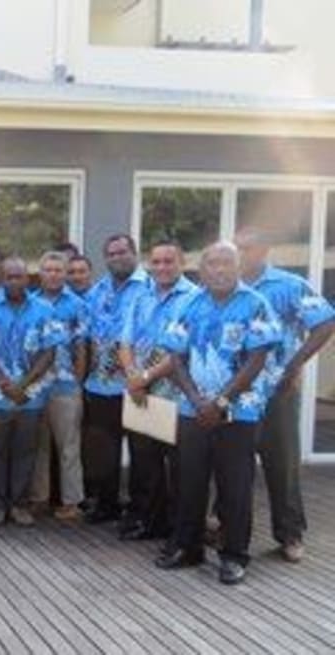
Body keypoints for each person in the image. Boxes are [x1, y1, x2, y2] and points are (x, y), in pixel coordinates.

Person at [157, 241, 279, 585]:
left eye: (227, 263)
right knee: (189, 482)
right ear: (202, 269)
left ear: (239, 267)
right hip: (193, 411)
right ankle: (188, 547)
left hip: (239, 413)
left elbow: (257, 360)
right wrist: (197, 401)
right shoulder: (188, 303)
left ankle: (234, 555)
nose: (220, 270)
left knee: (235, 487)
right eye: (213, 264)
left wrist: (221, 402)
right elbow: (176, 357)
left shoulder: (256, 304)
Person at [235, 228, 335, 562]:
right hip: (235, 392)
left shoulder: (289, 285)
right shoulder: (227, 287)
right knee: (233, 466)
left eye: (246, 247)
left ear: (264, 249)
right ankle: (229, 528)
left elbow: (324, 322)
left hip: (276, 390)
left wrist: (295, 364)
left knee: (282, 465)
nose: (240, 253)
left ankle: (289, 534)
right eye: (236, 247)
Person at [117, 241, 197, 541]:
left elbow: (182, 351)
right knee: (145, 464)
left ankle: (179, 530)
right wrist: (134, 378)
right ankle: (151, 523)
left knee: (179, 468)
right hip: (141, 395)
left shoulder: (194, 299)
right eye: (157, 262)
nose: (162, 267)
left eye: (168, 261)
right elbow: (124, 342)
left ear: (182, 262)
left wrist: (145, 376)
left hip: (176, 396)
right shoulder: (140, 297)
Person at [0, 257, 62, 527]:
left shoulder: (44, 309)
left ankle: (19, 504)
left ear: (28, 279)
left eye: (19, 277)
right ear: (2, 280)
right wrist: (4, 382)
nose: (14, 282)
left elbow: (50, 352)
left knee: (26, 452)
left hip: (31, 396)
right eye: (9, 277)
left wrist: (23, 384)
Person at [82, 234, 150, 523]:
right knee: (103, 450)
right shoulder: (97, 291)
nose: (117, 257)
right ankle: (107, 504)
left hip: (137, 385)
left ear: (134, 253)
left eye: (122, 252)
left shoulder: (150, 289)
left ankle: (139, 511)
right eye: (111, 253)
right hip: (100, 385)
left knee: (141, 452)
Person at [29, 251, 89, 521]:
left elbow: (82, 345)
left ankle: (71, 502)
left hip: (65, 386)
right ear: (40, 273)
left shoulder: (76, 305)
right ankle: (39, 498)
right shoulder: (29, 303)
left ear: (65, 274)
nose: (53, 274)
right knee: (36, 446)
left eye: (58, 270)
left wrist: (77, 380)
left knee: (69, 446)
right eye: (48, 269)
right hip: (33, 386)